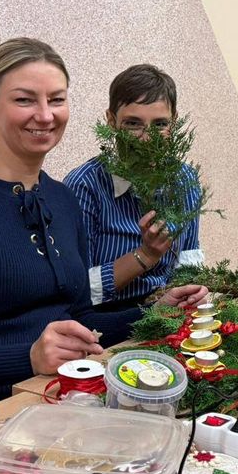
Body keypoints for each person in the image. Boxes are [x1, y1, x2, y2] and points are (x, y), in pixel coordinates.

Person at [0, 39, 208, 396]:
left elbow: (82, 322)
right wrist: (28, 358)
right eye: (24, 100)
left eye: (56, 100)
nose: (44, 115)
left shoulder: (62, 200)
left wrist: (156, 313)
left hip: (60, 396)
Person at [64, 64, 205, 310]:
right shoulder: (85, 185)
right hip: (105, 318)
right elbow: (78, 289)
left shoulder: (184, 179)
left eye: (160, 124)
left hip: (169, 311)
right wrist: (145, 255)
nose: (147, 139)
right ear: (111, 121)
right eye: (133, 124)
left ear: (174, 123)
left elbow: (188, 259)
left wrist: (193, 292)